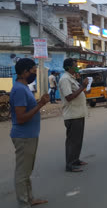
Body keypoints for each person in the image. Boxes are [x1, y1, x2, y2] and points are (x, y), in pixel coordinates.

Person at [10, 58, 50, 208]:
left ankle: (29, 199)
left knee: (27, 170)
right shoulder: (20, 89)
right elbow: (20, 118)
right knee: (22, 173)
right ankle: (24, 203)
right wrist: (40, 104)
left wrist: (40, 102)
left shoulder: (24, 87)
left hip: (29, 135)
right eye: (33, 71)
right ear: (25, 72)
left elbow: (27, 109)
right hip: (24, 136)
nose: (35, 73)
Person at [59, 58, 89, 172]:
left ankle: (75, 159)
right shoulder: (65, 79)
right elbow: (69, 97)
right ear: (68, 67)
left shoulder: (72, 78)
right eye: (75, 65)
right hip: (72, 114)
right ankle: (70, 164)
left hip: (79, 113)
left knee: (78, 140)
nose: (77, 67)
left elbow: (78, 92)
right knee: (72, 141)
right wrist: (82, 87)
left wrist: (84, 89)